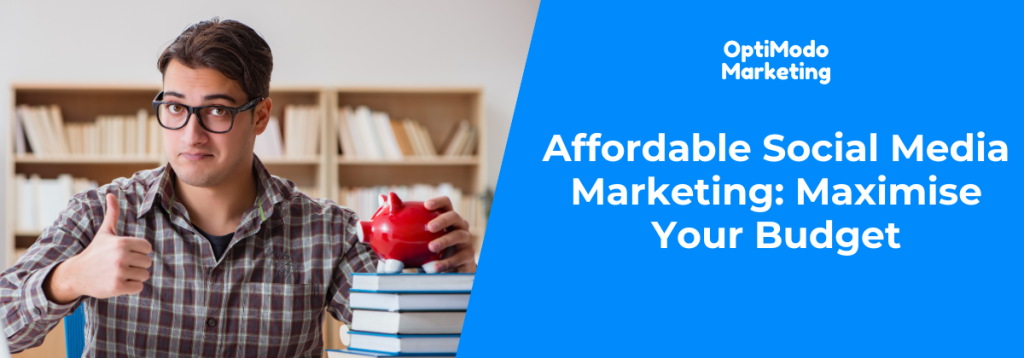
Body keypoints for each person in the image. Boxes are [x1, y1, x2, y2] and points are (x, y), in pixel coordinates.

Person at [0, 17, 477, 357]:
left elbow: (420, 336)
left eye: (217, 110)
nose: (191, 133)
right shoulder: (98, 212)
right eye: (174, 107)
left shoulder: (328, 232)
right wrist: (69, 280)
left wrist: (452, 278)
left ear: (261, 116)